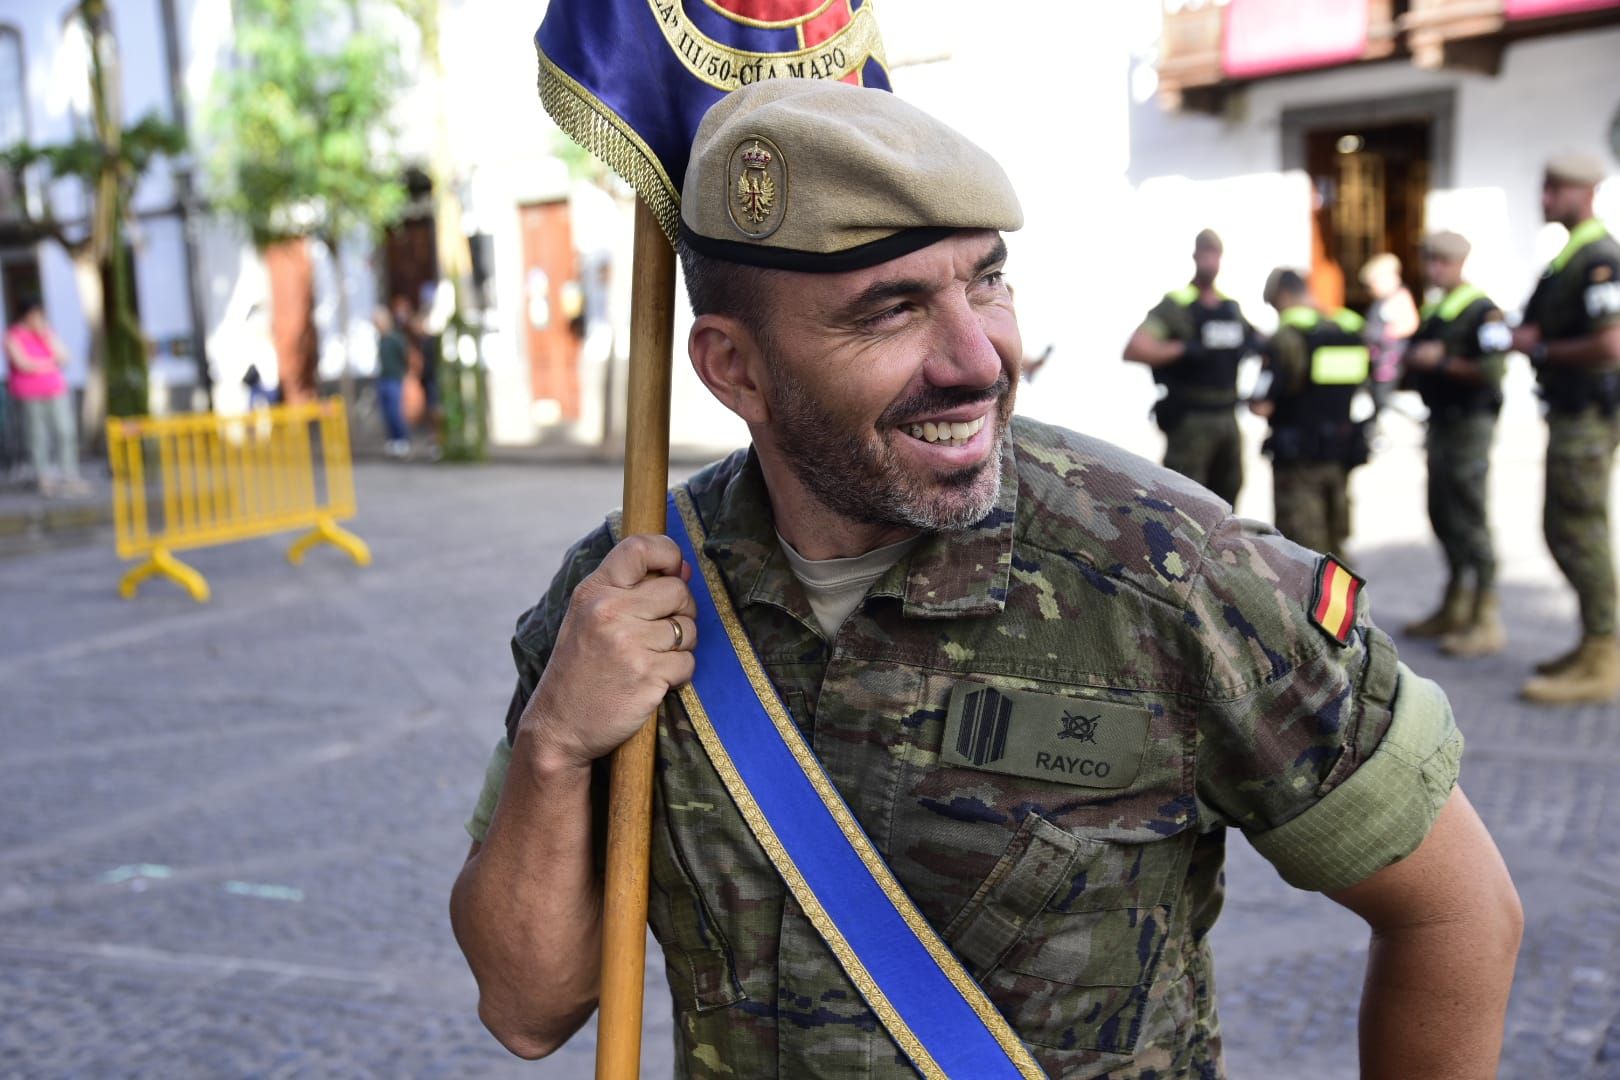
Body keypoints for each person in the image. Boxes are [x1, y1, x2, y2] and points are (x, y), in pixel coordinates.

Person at [449, 80, 1521, 1078]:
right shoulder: (629, 593)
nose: (978, 359)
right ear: (735, 368)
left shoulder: (1171, 573)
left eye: (988, 280)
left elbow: (1456, 912)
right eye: (891, 309)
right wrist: (555, 745)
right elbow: (528, 1007)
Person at [1513, 153, 1620, 704]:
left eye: (1555, 189)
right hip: (1570, 412)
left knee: (1580, 529)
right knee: (1565, 527)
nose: (1545, 198)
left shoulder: (1599, 258)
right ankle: (1594, 640)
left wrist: (1546, 347)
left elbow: (1611, 344)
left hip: (1589, 416)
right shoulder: (1568, 260)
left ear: (1586, 192)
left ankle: (1605, 654)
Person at [1399, 232, 1510, 656]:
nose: (1434, 269)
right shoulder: (1438, 311)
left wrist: (1441, 361)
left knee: (1469, 514)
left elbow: (1492, 369)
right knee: (1443, 513)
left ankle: (1486, 615)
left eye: (1442, 261)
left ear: (1460, 262)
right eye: (1430, 260)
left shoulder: (1484, 312)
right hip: (1442, 424)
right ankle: (1456, 603)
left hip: (1470, 425)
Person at [1123, 230, 1257, 505]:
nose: (1210, 260)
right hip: (1191, 419)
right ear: (1196, 256)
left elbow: (1260, 342)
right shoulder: (1177, 305)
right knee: (1184, 502)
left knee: (1228, 498)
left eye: (1215, 254)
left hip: (1227, 416)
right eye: (1205, 253)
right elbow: (1136, 348)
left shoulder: (1230, 308)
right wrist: (1183, 349)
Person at [1251, 269, 1371, 558]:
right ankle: (1345, 603)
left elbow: (1261, 403)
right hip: (1340, 452)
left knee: (1301, 551)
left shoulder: (1286, 338)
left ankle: (1310, 605)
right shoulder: (1348, 330)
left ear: (1284, 296)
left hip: (1298, 462)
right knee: (1336, 545)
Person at [4, 298, 86, 497]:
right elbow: (23, 364)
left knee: (65, 431)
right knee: (37, 435)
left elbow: (65, 357)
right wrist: (50, 363)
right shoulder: (13, 335)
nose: (38, 318)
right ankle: (43, 477)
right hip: (29, 393)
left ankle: (70, 474)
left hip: (56, 389)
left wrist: (45, 337)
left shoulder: (46, 333)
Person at [1360, 253, 1420, 417]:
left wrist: (1385, 336)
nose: (1371, 289)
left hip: (1390, 363)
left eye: (1373, 284)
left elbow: (1410, 323)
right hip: (1379, 361)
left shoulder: (1398, 298)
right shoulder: (1383, 301)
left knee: (1384, 401)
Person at [372, 305, 411, 458]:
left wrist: (402, 373)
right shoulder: (380, 340)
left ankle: (402, 440)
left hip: (394, 378)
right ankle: (393, 440)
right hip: (383, 378)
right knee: (386, 412)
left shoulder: (395, 339)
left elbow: (405, 358)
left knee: (395, 411)